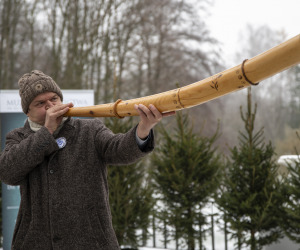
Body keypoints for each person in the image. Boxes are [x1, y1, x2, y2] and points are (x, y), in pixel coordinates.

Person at [0, 70, 175, 250]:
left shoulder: (89, 129)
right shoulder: (17, 137)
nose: (49, 106)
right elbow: (7, 173)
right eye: (40, 103)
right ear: (27, 112)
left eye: (54, 99)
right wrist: (47, 133)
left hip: (92, 242)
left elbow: (119, 149)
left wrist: (144, 128)